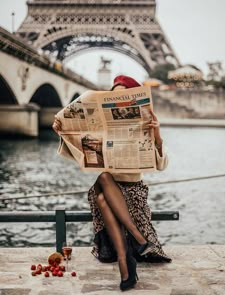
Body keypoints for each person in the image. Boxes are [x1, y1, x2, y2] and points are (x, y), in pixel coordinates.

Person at [52, 75, 171, 291]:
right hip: (108, 185)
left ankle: (126, 261)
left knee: (101, 195)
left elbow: (161, 166)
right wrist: (63, 132)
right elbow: (83, 156)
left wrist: (158, 136)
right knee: (104, 180)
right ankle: (136, 238)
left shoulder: (147, 125)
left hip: (132, 190)